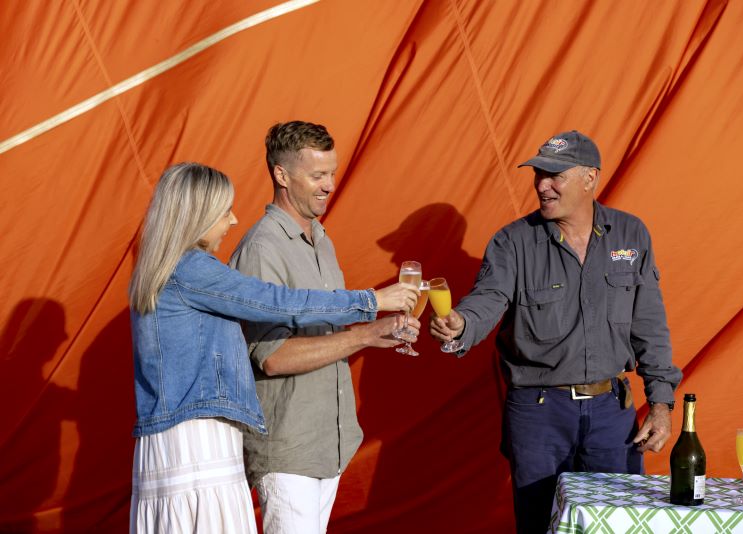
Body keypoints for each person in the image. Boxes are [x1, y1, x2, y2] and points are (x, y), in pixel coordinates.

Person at [128, 162, 418, 533]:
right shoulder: (192, 270)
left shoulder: (165, 271)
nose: (233, 221)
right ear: (198, 216)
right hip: (199, 439)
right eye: (224, 211)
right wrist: (371, 301)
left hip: (174, 439)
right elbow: (277, 302)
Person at [430, 130, 682, 533]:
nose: (542, 185)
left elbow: (649, 324)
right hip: (539, 412)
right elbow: (488, 298)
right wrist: (461, 324)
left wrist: (661, 403)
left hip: (610, 412)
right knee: (539, 521)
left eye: (555, 175)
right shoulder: (513, 242)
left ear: (590, 178)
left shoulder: (631, 235)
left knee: (618, 522)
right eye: (539, 174)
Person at [229, 121, 420, 534]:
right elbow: (274, 357)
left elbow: (324, 333)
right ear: (281, 175)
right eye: (317, 175)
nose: (330, 185)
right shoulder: (262, 248)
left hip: (328, 442)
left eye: (331, 173)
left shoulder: (320, 237)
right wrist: (365, 333)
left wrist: (380, 332)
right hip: (288, 448)